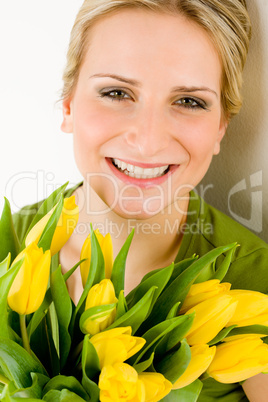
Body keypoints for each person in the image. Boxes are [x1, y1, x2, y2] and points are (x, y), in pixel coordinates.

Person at [13, 0, 268, 400]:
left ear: (221, 127)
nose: (148, 141)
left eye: (189, 102)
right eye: (116, 92)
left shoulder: (256, 286)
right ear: (68, 105)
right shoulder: (7, 245)